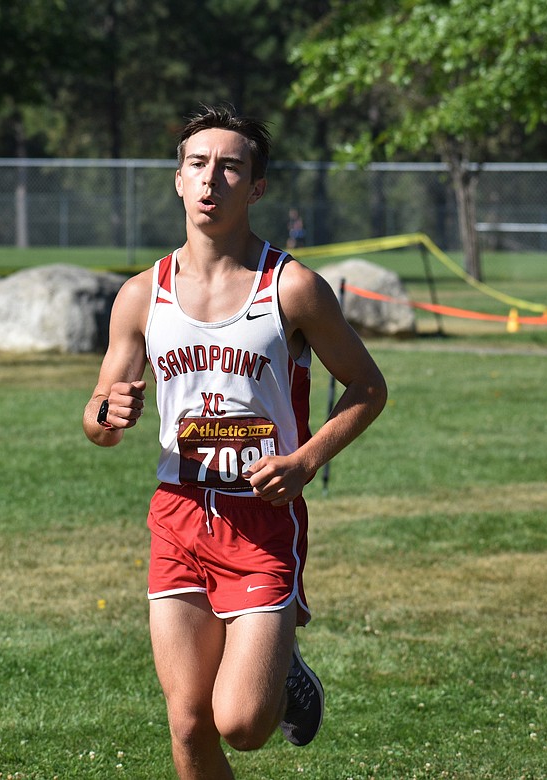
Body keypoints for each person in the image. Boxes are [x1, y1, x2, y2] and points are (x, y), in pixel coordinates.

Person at [83, 105, 386, 778]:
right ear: (178, 180)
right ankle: (273, 657)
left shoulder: (293, 288)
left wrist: (305, 462)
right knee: (189, 725)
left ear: (256, 187)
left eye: (229, 167)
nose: (210, 180)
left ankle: (282, 670)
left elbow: (368, 388)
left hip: (260, 519)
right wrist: (110, 410)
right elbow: (98, 420)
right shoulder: (141, 295)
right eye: (197, 164)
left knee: (243, 725)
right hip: (179, 513)